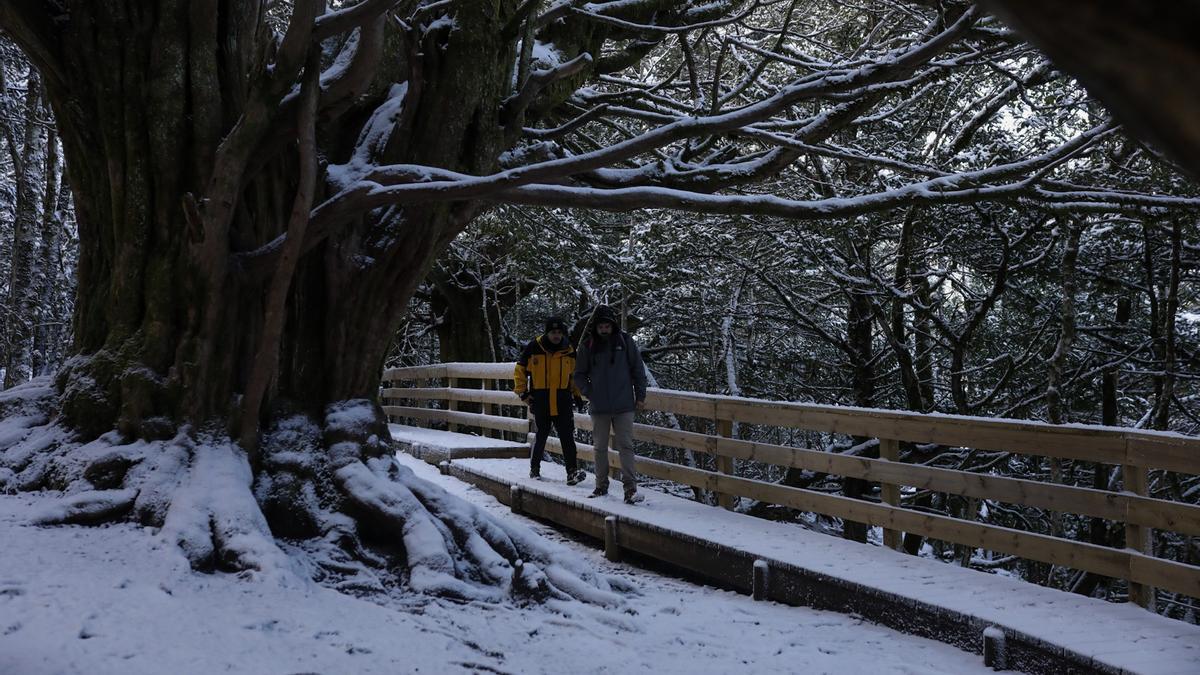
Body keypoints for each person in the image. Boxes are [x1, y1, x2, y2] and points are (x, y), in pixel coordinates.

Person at [574, 305, 648, 504]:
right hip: (599, 407)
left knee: (626, 447)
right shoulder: (588, 346)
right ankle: (600, 487)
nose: (604, 329)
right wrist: (590, 392)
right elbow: (579, 375)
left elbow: (638, 370)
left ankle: (630, 490)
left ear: (612, 325)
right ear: (596, 326)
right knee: (599, 448)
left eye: (607, 325)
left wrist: (640, 397)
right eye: (601, 326)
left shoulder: (625, 342)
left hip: (624, 405)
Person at [513, 316, 587, 484]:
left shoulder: (569, 349)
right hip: (541, 397)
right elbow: (520, 370)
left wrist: (576, 394)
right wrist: (523, 393)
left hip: (562, 398)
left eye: (559, 332)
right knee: (541, 435)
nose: (556, 336)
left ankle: (572, 472)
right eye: (553, 332)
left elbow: (574, 375)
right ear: (547, 333)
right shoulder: (534, 347)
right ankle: (534, 469)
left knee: (567, 436)